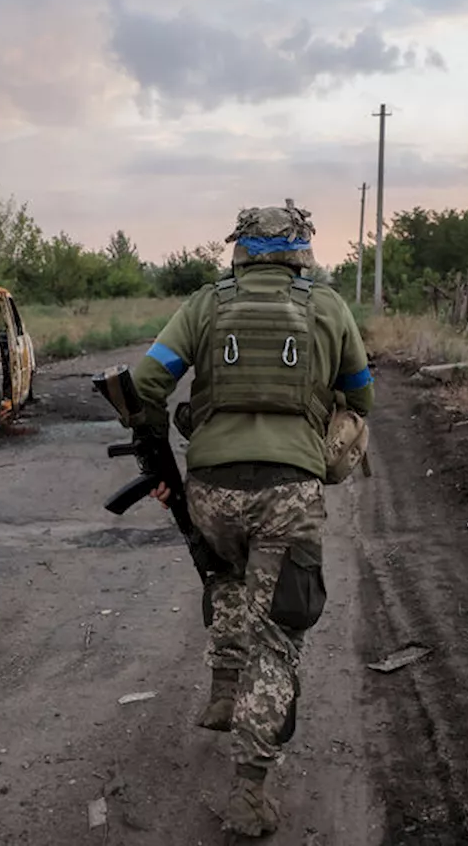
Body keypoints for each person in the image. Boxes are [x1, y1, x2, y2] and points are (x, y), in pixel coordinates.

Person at [129, 199, 374, 836]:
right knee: (281, 634)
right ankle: (249, 790)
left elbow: (146, 382)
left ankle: (222, 692)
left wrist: (160, 454)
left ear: (239, 248)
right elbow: (364, 394)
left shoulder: (205, 304)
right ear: (302, 250)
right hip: (289, 493)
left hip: (212, 490)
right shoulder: (328, 307)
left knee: (229, 577)